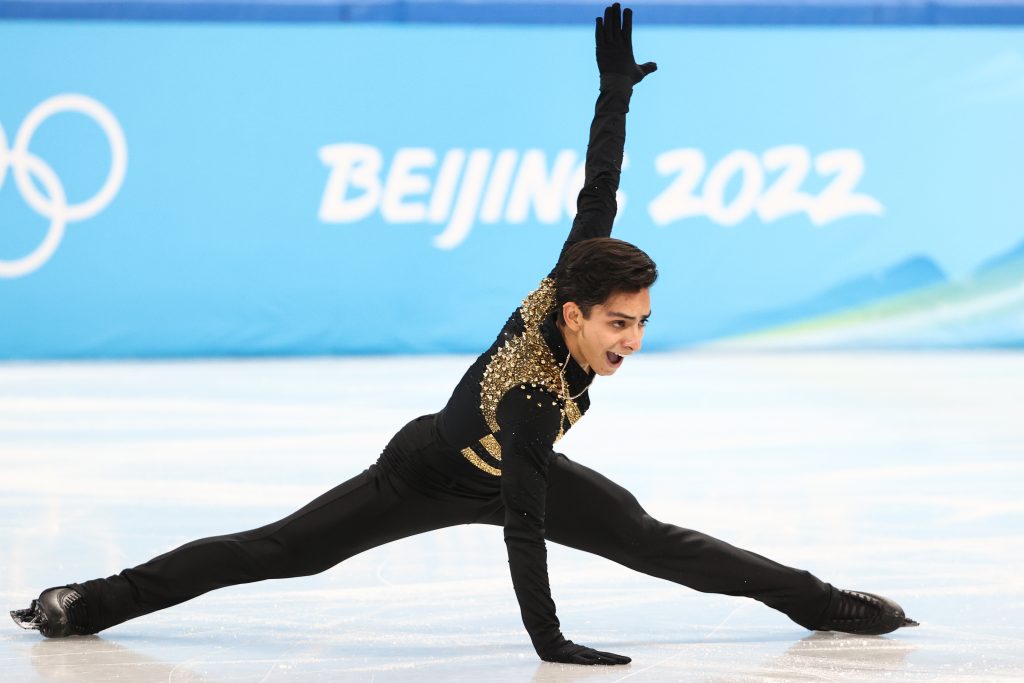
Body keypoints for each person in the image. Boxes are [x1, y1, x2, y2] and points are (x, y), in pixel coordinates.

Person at [10, 4, 916, 665]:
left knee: (654, 538)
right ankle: (85, 602)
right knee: (281, 551)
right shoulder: (531, 397)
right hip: (422, 473)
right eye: (619, 324)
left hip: (511, 464)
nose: (632, 339)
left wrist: (613, 93)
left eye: (642, 322)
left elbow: (599, 187)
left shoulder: (576, 272)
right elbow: (523, 530)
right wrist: (550, 642)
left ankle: (822, 602)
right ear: (574, 315)